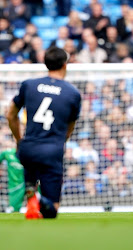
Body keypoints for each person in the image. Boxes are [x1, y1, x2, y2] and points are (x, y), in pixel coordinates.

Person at [6, 46, 81, 219]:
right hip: (52, 149)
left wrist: (19, 139)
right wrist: (62, 142)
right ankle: (41, 201)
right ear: (65, 65)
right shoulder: (72, 93)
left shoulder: (29, 85)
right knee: (52, 210)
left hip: (28, 147)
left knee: (30, 168)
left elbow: (10, 115)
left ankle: (31, 191)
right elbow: (70, 127)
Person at [0, 147, 25, 212]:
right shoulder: (7, 153)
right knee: (14, 207)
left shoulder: (27, 152)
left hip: (25, 182)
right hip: (12, 184)